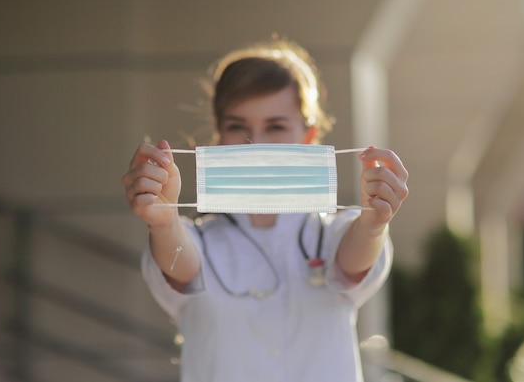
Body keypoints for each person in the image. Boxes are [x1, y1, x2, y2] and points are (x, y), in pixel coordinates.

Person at [122, 38, 409, 382]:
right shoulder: (196, 241)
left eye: (275, 126)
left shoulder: (333, 233)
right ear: (218, 138)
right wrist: (164, 222)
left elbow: (354, 259)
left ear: (309, 136)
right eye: (238, 127)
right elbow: (180, 267)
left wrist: (374, 224)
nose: (255, 142)